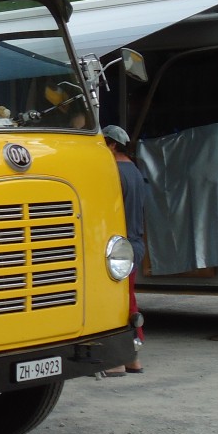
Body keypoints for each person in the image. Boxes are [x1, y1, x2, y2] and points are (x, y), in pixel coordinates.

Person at [102, 124, 146, 376]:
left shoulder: (114, 171)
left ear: (112, 145)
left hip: (118, 248)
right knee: (128, 301)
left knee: (116, 305)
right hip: (134, 244)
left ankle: (117, 361)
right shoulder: (134, 170)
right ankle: (132, 359)